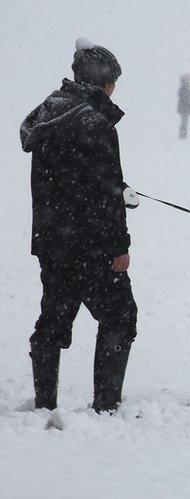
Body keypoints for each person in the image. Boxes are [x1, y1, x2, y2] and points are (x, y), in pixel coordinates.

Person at [20, 38, 139, 413]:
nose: (114, 88)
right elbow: (102, 191)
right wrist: (119, 246)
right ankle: (105, 405)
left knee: (54, 318)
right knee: (120, 315)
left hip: (52, 239)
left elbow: (70, 182)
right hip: (93, 244)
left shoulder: (48, 115)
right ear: (101, 81)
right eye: (113, 81)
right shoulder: (94, 122)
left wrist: (117, 190)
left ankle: (44, 403)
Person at [177, 74, 190, 139]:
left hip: (184, 108)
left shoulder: (185, 89)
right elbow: (187, 99)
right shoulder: (184, 89)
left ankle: (183, 134)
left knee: (184, 122)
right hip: (184, 108)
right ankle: (183, 134)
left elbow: (189, 100)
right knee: (184, 122)